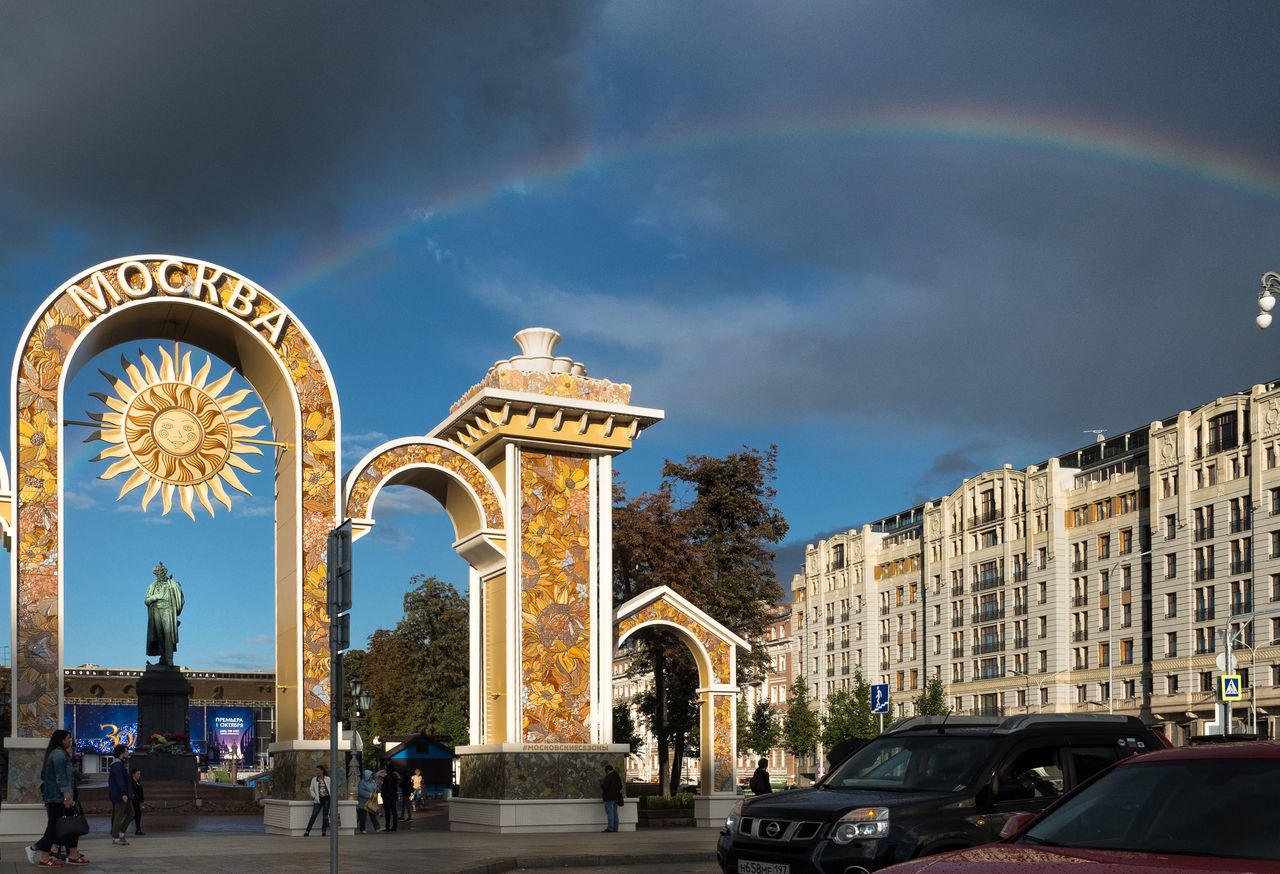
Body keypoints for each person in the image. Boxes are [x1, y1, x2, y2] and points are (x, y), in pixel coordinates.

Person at [28, 729, 90, 867]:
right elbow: (61, 777)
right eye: (68, 738)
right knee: (54, 827)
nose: (70, 740)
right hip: (57, 798)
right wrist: (67, 796)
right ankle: (43, 857)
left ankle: (73, 855)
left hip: (61, 797)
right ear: (62, 740)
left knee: (72, 825)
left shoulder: (60, 754)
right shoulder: (58, 755)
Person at [145, 561, 185, 666]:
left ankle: (169, 659)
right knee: (159, 636)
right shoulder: (152, 586)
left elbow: (180, 599)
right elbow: (146, 601)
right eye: (156, 574)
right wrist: (155, 597)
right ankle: (163, 658)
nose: (158, 576)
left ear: (164, 573)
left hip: (168, 610)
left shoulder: (171, 584)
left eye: (159, 573)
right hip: (156, 611)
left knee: (168, 636)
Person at [108, 743, 134, 844]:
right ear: (121, 753)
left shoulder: (121, 764)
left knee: (131, 813)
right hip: (120, 795)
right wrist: (123, 793)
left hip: (125, 794)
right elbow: (120, 781)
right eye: (126, 751)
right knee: (119, 815)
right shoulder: (117, 765)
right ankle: (116, 837)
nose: (128, 753)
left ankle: (121, 833)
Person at [303, 764, 331, 837]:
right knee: (314, 815)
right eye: (316, 771)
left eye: (318, 770)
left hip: (327, 798)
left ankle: (323, 831)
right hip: (318, 800)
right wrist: (314, 796)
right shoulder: (314, 779)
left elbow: (332, 788)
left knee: (325, 816)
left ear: (322, 771)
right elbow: (311, 789)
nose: (317, 772)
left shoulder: (328, 779)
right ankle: (307, 831)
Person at [600, 763, 622, 833]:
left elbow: (605, 787)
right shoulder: (617, 776)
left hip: (609, 797)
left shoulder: (608, 777)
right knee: (615, 813)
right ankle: (615, 828)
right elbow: (620, 787)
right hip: (616, 797)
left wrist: (601, 784)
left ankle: (610, 828)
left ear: (607, 770)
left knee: (610, 813)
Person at [356, 769, 380, 834]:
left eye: (372, 776)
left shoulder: (373, 782)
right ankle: (362, 829)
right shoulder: (362, 783)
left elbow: (376, 788)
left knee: (373, 815)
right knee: (362, 817)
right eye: (370, 776)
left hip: (371, 802)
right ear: (367, 776)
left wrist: (377, 790)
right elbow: (361, 792)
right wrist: (370, 795)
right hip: (363, 803)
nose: (371, 777)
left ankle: (377, 827)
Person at [381, 767, 400, 832]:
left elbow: (384, 787)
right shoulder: (395, 777)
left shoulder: (386, 777)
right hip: (393, 796)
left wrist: (382, 795)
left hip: (387, 796)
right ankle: (395, 826)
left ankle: (387, 826)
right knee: (394, 812)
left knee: (387, 812)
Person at [130, 769, 145, 835]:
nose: (139, 775)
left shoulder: (137, 781)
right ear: (133, 774)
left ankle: (138, 830)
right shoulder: (131, 782)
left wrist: (141, 799)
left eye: (139, 773)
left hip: (137, 801)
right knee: (133, 816)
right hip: (133, 801)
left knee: (138, 815)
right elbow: (132, 791)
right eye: (138, 774)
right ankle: (121, 828)